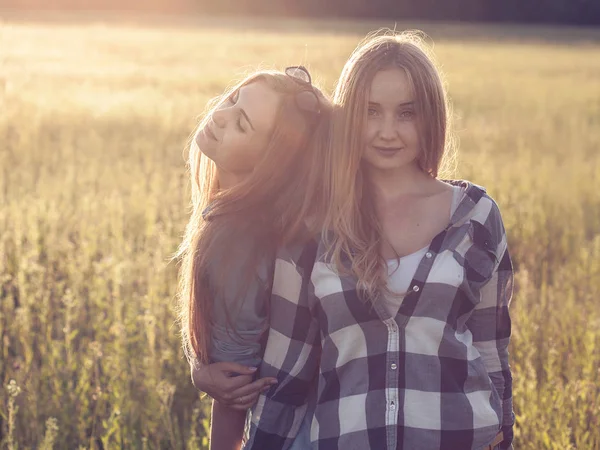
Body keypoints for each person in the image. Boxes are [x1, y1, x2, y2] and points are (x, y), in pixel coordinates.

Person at [245, 31, 514, 450]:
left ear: (431, 117)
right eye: (371, 111)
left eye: (406, 113)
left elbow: (491, 354)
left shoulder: (477, 216)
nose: (387, 131)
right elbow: (285, 371)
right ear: (348, 115)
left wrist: (506, 436)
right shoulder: (311, 224)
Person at [176, 67, 331, 450]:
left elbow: (234, 383)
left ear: (271, 163)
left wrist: (204, 373)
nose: (220, 115)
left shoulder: (236, 237)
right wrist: (198, 367)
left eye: (242, 124)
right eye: (233, 99)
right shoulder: (282, 219)